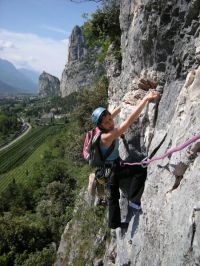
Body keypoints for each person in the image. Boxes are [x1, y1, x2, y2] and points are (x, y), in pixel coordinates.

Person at [91, 90, 160, 229]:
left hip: (108, 168)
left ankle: (114, 223)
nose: (111, 123)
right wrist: (146, 99)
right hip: (113, 171)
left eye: (110, 119)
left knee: (113, 198)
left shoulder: (98, 131)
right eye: (106, 122)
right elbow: (128, 121)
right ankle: (134, 200)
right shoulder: (107, 136)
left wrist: (122, 106)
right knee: (141, 169)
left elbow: (112, 114)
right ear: (101, 126)